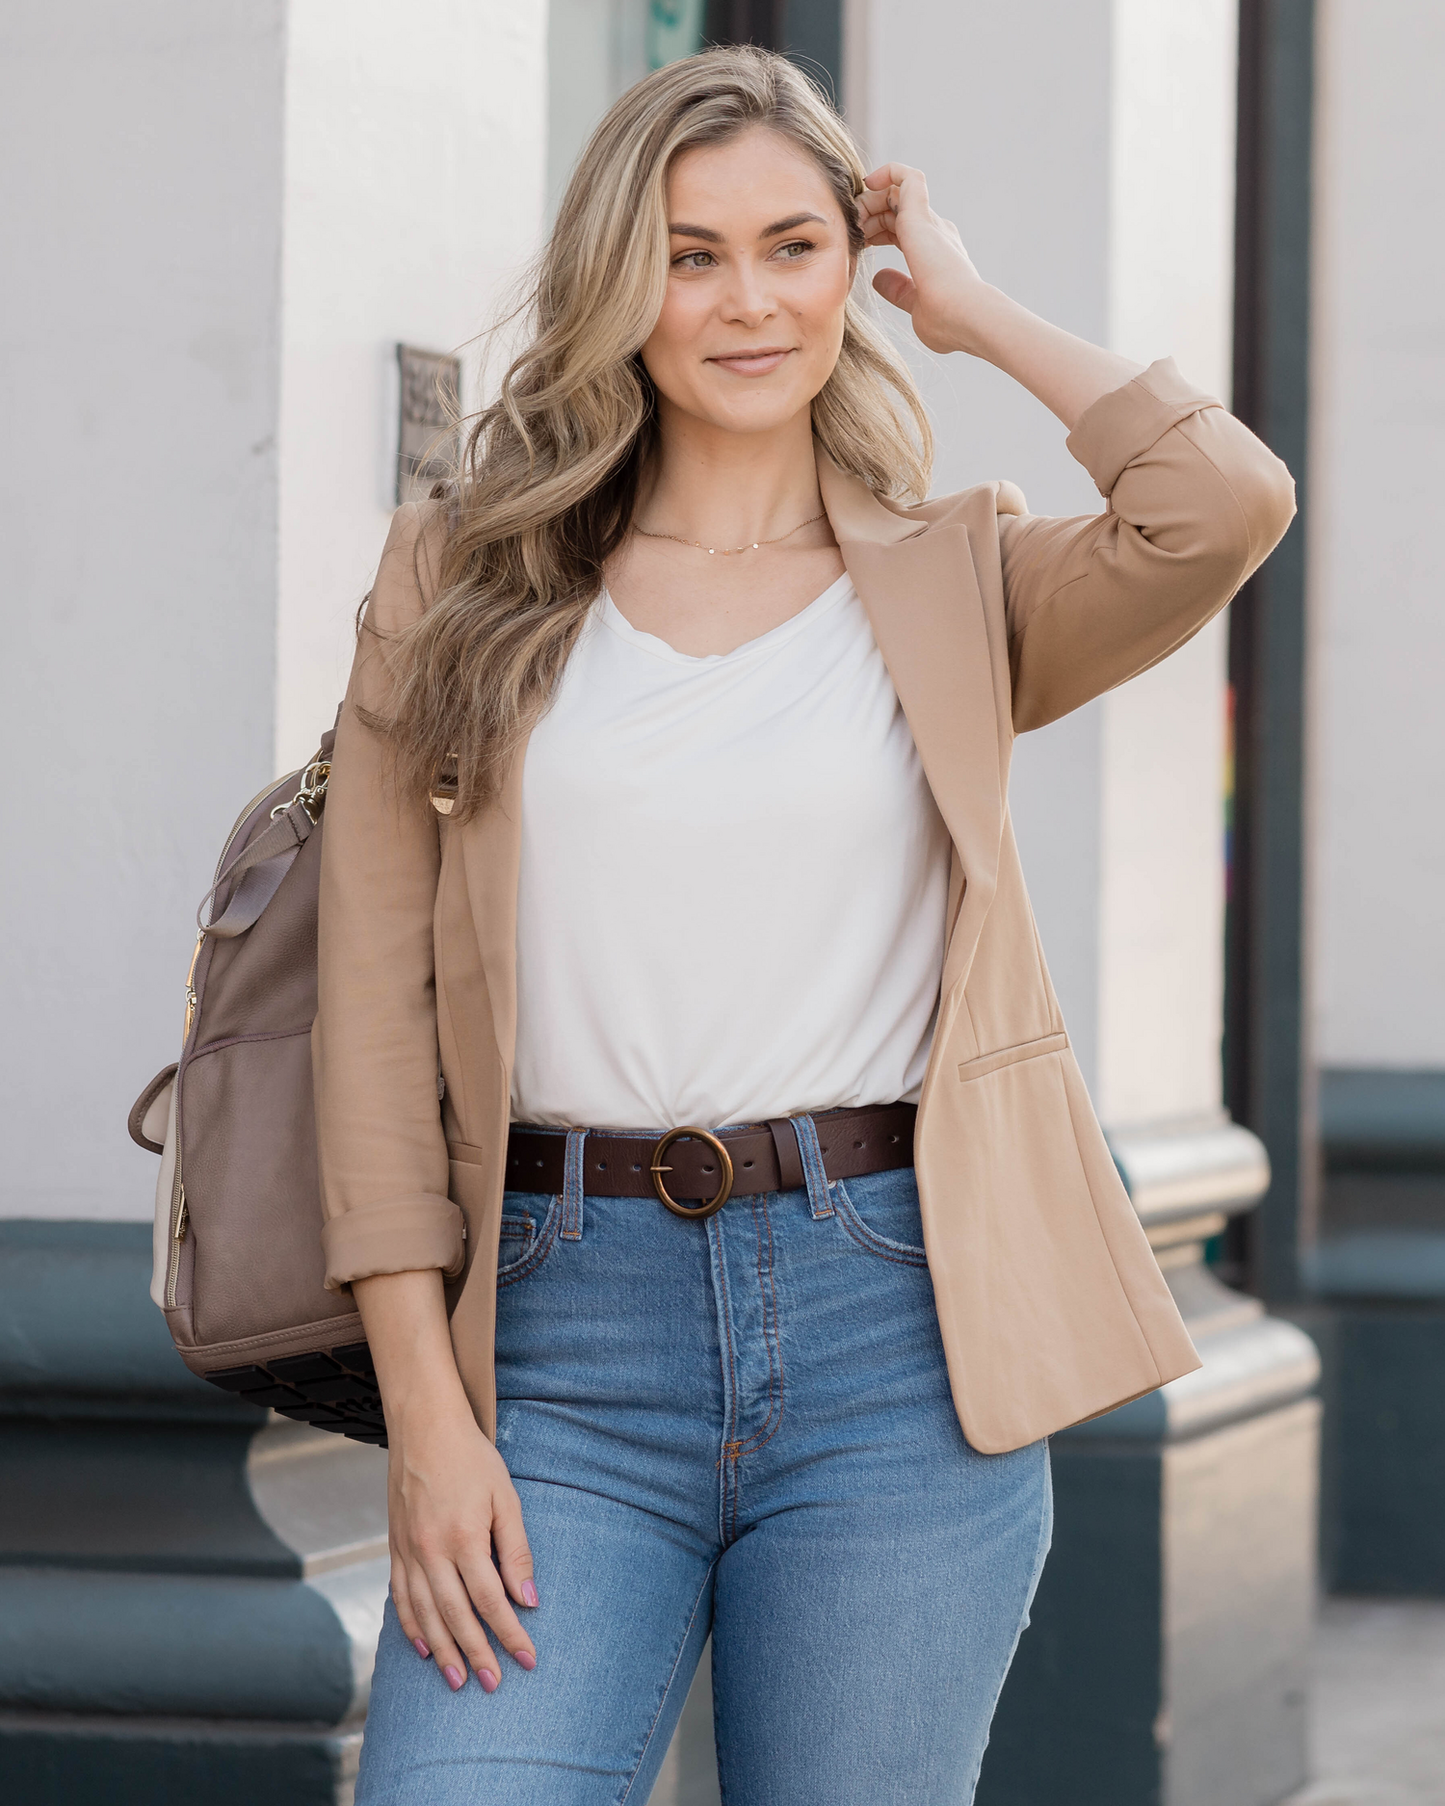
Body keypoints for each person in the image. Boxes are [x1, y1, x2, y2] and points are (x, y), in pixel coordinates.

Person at [317, 45, 1293, 1806]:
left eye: (793, 245)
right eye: (690, 255)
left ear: (855, 269)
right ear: (622, 279)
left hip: (893, 1338)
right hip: (554, 1340)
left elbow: (1224, 503)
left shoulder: (962, 579)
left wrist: (979, 311)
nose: (747, 301)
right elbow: (374, 1020)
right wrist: (426, 1422)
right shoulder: (460, 579)